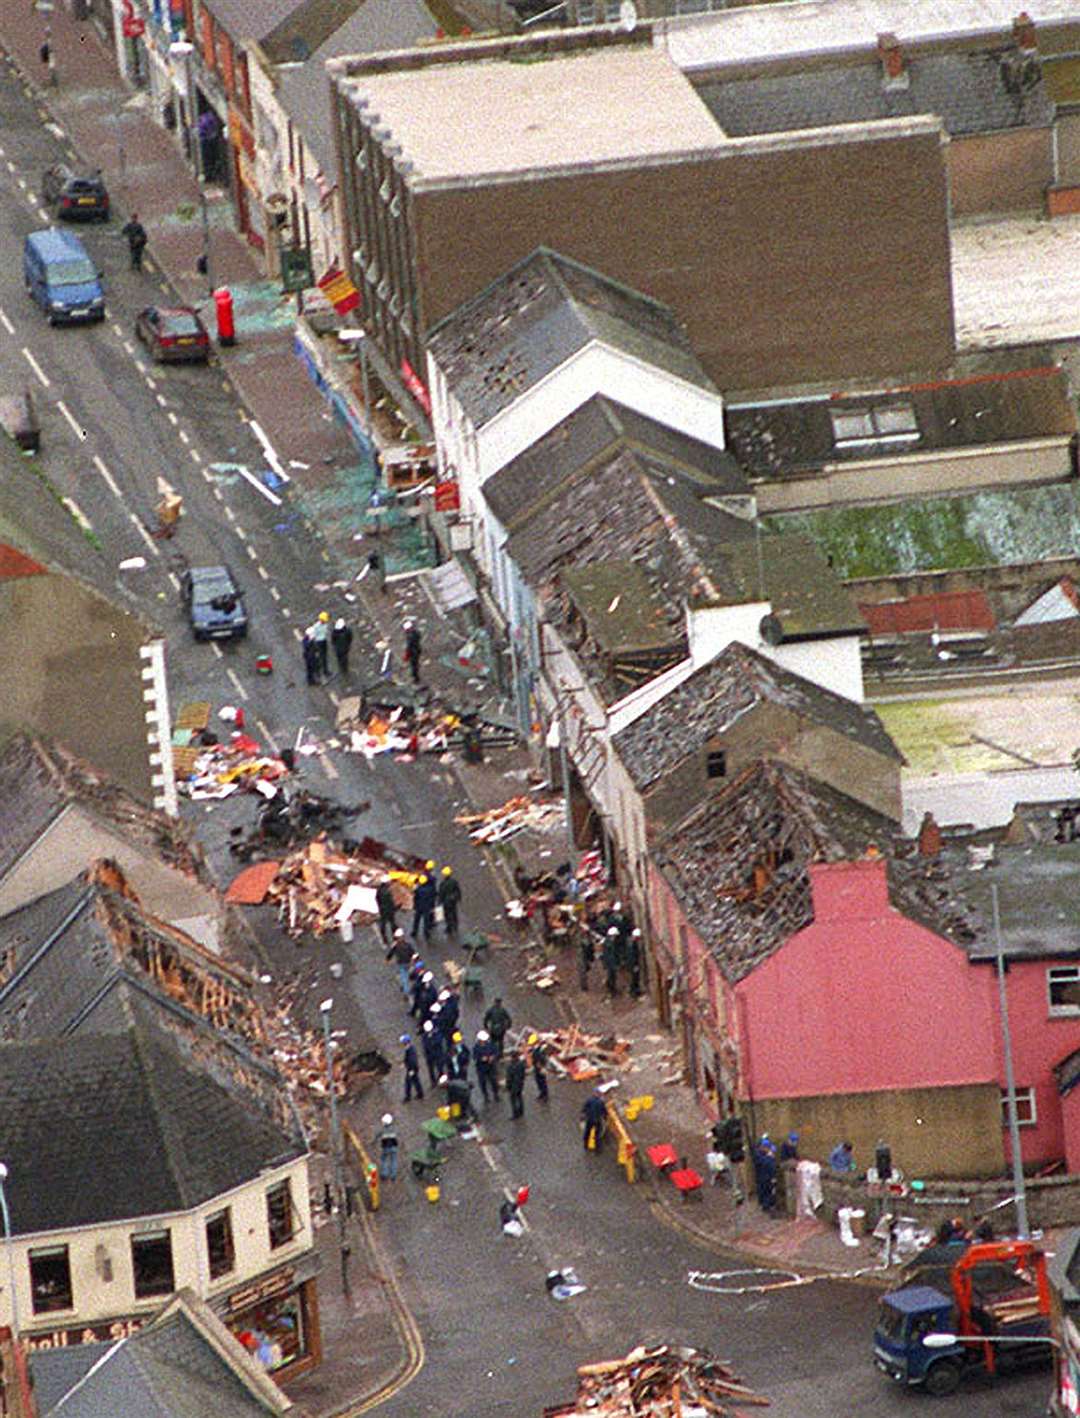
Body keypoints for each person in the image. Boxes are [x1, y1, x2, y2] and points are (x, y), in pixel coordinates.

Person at [752, 1135, 778, 1213]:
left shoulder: (766, 1154)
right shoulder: (758, 1155)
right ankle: (766, 1206)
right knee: (765, 1191)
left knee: (770, 1191)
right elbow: (763, 1163)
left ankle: (770, 1205)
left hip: (768, 1176)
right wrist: (769, 1157)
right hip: (762, 1177)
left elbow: (772, 1165)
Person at [473, 1030, 499, 1103]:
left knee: (493, 1081)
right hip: (481, 1068)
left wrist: (493, 1057)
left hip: (491, 1067)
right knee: (483, 1082)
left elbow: (496, 1051)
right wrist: (481, 1059)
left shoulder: (490, 1044)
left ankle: (496, 1094)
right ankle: (486, 1096)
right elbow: (475, 1057)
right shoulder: (476, 1048)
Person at [411, 873, 437, 944]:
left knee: (417, 920)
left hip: (419, 907)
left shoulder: (418, 890)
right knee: (426, 921)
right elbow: (433, 897)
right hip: (427, 907)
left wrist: (415, 906)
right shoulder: (430, 889)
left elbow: (415, 898)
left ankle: (414, 932)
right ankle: (426, 933)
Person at [438, 866, 462, 937]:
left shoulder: (443, 884)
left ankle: (449, 928)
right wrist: (458, 898)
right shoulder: (454, 882)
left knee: (447, 915)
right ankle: (455, 925)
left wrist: (439, 901)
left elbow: (441, 893)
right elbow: (458, 890)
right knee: (454, 912)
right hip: (453, 900)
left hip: (446, 902)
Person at [421, 1019, 445, 1087]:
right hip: (429, 1055)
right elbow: (424, 1044)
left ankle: (442, 1081)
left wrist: (431, 1040)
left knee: (440, 1068)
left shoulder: (437, 1033)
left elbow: (438, 1042)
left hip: (437, 1054)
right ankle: (433, 1082)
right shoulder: (425, 1035)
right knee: (430, 1069)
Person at [387, 931, 412, 996]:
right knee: (405, 974)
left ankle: (406, 991)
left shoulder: (395, 945)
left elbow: (391, 953)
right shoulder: (408, 945)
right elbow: (412, 952)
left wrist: (388, 959)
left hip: (401, 963)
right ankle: (403, 986)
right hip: (408, 962)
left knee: (404, 976)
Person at [401, 1034, 423, 1102]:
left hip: (412, 1069)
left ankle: (408, 1097)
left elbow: (412, 1061)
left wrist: (411, 1069)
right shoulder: (410, 1048)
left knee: (408, 1082)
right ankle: (420, 1094)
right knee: (416, 1081)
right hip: (413, 1068)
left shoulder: (410, 1050)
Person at [376, 875, 397, 945]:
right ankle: (395, 937)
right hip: (388, 910)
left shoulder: (379, 890)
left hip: (382, 909)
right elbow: (391, 902)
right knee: (392, 923)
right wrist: (394, 908)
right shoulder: (387, 892)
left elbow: (377, 899)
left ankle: (384, 938)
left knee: (383, 923)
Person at [377, 1113, 399, 1181]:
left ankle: (384, 1174)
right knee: (394, 1160)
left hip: (385, 1147)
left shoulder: (382, 1130)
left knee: (384, 1160)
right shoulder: (394, 1128)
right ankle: (393, 1175)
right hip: (394, 1146)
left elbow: (377, 1135)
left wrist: (373, 1142)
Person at [506, 1051, 526, 1120]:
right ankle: (521, 1111)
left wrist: (507, 1086)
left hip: (513, 1085)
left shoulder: (510, 1066)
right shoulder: (521, 1064)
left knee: (513, 1100)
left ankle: (515, 1114)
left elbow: (509, 1077)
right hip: (520, 1084)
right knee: (519, 1098)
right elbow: (523, 1074)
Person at [602, 927, 620, 998]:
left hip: (610, 963)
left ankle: (612, 989)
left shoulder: (608, 942)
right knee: (611, 977)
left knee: (612, 977)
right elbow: (611, 955)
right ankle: (611, 991)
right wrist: (615, 964)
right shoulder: (609, 943)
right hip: (610, 964)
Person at [530, 1035, 549, 1102]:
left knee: (542, 1082)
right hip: (537, 1067)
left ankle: (545, 1095)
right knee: (538, 1081)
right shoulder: (536, 1049)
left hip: (540, 1067)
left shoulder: (540, 1049)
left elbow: (542, 1058)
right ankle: (542, 1093)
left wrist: (541, 1066)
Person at [311, 611, 330, 679]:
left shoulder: (325, 624)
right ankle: (318, 672)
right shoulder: (316, 626)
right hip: (318, 642)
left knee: (324, 656)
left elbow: (325, 632)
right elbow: (314, 636)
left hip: (324, 641)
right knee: (319, 657)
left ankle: (326, 670)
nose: (325, 622)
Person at [626, 927, 643, 998]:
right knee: (634, 978)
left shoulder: (630, 942)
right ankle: (634, 992)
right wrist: (635, 965)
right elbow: (632, 956)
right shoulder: (632, 944)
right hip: (633, 965)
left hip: (631, 964)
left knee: (634, 978)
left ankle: (634, 991)